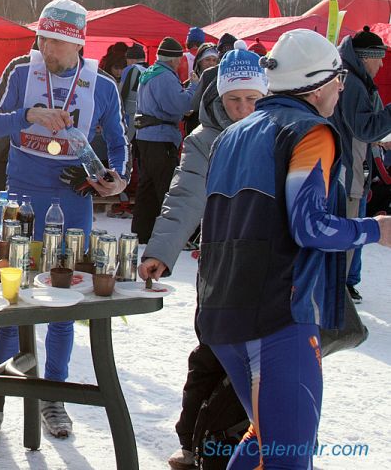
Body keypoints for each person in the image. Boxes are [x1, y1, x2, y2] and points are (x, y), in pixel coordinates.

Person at [197, 29, 391, 469]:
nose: (343, 87)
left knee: (266, 439)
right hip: (276, 315)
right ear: (319, 86)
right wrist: (375, 229)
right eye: (339, 78)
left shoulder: (232, 134)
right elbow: (311, 227)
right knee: (288, 454)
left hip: (221, 309)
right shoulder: (311, 132)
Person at [0, 0, 128, 449]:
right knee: (11, 301)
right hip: (21, 197)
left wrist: (117, 180)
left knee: (63, 304)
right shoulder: (21, 71)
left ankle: (53, 396)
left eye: (56, 41)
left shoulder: (102, 84)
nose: (46, 48)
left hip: (73, 199)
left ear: (76, 42)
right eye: (42, 38)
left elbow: (118, 143)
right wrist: (27, 116)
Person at [137, 47, 267, 470]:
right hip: (220, 263)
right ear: (219, 98)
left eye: (253, 99)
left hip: (269, 264)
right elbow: (183, 198)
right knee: (211, 350)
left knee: (265, 355)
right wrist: (160, 251)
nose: (244, 109)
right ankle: (192, 438)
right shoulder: (205, 140)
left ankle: (255, 436)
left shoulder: (278, 133)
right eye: (234, 100)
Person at [330, 26, 390, 303]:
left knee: (355, 223)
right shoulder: (352, 81)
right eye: (379, 58)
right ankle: (338, 289)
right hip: (348, 167)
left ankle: (346, 284)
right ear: (366, 57)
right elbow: (363, 128)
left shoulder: (355, 78)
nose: (381, 65)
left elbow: (363, 130)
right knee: (351, 225)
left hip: (354, 166)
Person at [131, 36, 198, 243]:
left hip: (144, 138)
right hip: (161, 140)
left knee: (147, 189)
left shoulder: (151, 72)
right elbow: (180, 105)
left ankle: (142, 233)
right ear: (174, 60)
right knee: (166, 188)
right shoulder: (166, 77)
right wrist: (194, 87)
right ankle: (169, 237)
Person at [183, 42, 220, 133]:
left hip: (214, 131)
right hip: (194, 130)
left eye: (214, 60)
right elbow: (183, 111)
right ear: (200, 61)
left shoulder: (219, 83)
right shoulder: (189, 83)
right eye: (207, 59)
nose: (211, 63)